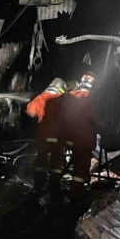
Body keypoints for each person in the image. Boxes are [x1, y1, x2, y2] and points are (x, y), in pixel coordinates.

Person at [36, 72, 99, 200]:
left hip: (65, 138)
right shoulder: (90, 99)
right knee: (79, 171)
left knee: (51, 162)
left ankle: (50, 188)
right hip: (83, 141)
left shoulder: (66, 97)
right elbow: (96, 120)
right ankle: (75, 198)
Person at [27, 78, 68, 192]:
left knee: (41, 160)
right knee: (56, 162)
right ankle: (54, 187)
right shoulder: (63, 99)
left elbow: (31, 112)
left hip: (43, 135)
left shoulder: (42, 97)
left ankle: (38, 186)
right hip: (58, 137)